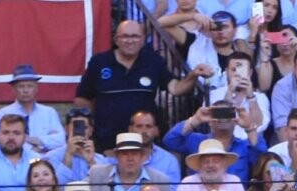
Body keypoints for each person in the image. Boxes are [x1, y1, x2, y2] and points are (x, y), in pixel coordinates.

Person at [74, 21, 207, 151]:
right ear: (116, 39)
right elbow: (82, 99)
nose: (130, 40)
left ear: (143, 39)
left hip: (143, 144)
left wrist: (193, 75)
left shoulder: (153, 61)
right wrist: (89, 127)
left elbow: (176, 88)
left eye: (135, 36)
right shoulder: (99, 62)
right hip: (106, 143)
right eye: (125, 36)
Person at [164, 103, 266, 184]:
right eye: (217, 114)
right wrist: (195, 119)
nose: (222, 118)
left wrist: (249, 127)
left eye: (227, 114)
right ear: (210, 121)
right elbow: (170, 140)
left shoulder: (244, 145)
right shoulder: (197, 141)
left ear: (235, 120)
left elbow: (261, 157)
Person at [0, 65, 64, 155]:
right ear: (13, 89)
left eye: (30, 86)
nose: (26, 90)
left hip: (46, 163)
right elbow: (5, 141)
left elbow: (61, 140)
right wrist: (37, 149)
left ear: (36, 88)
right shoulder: (2, 114)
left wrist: (35, 139)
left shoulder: (49, 112)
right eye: (21, 86)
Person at [44, 107, 108, 185]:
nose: (79, 131)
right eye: (75, 127)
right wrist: (68, 155)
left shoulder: (101, 160)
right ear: (66, 130)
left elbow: (104, 189)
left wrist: (91, 162)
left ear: (90, 131)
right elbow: (54, 188)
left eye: (84, 127)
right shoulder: (52, 157)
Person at [125, 111, 183, 185]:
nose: (144, 131)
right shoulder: (118, 157)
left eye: (148, 126)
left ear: (156, 130)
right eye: (139, 126)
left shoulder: (169, 161)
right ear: (130, 129)